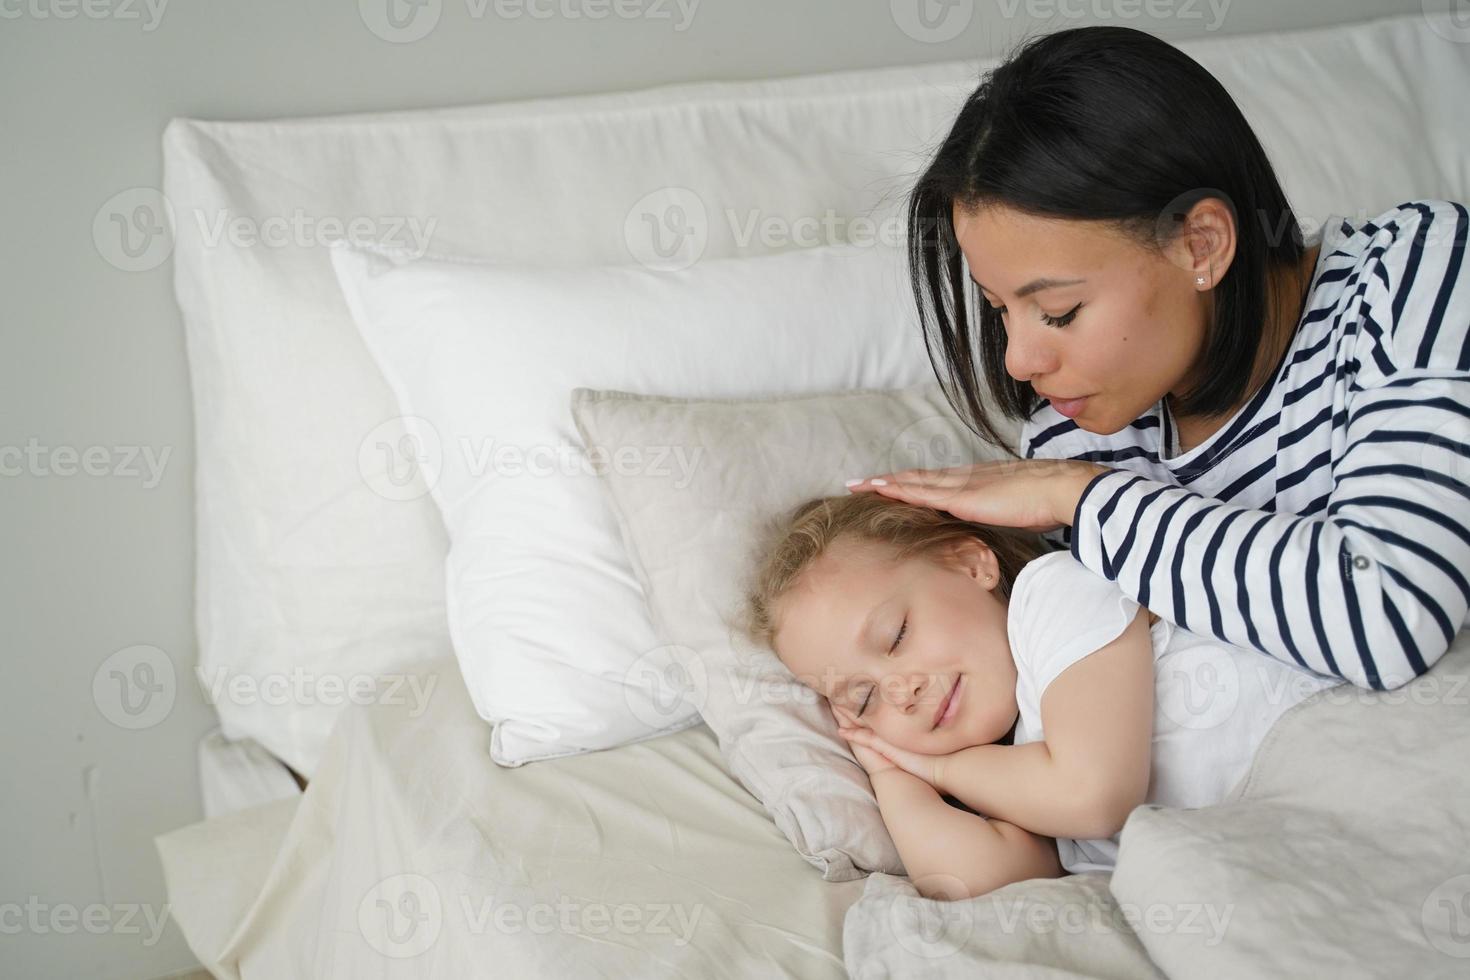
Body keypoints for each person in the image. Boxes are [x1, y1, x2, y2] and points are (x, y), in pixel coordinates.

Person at [848, 26, 1470, 692]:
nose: (1020, 362)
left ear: (1200, 245)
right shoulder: (1081, 428)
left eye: (1058, 312)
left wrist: (1077, 496)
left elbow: (1391, 614)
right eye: (1001, 310)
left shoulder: (1417, 273)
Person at [743, 492, 1339, 900]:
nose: (901, 692)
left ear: (970, 563)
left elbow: (1093, 796)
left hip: (1338, 750)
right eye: (864, 700)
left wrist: (939, 763)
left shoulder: (1055, 595)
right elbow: (976, 882)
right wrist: (894, 773)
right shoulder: (1008, 768)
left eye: (896, 635)